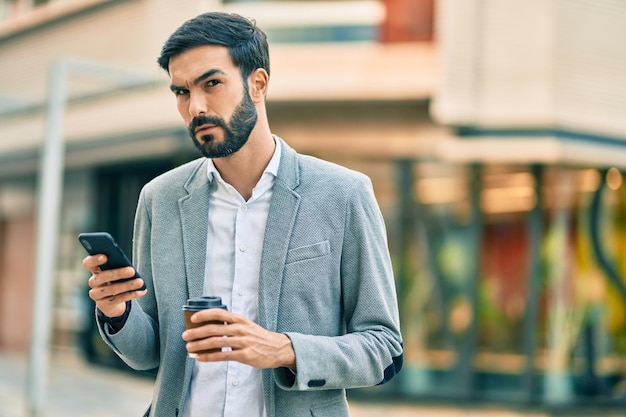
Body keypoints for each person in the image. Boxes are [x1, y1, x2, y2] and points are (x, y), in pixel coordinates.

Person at [82, 11, 403, 417]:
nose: (195, 106)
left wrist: (284, 349)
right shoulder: (159, 198)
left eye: (211, 84)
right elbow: (149, 353)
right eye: (181, 92)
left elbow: (384, 348)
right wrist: (117, 310)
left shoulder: (342, 194)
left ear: (258, 83)